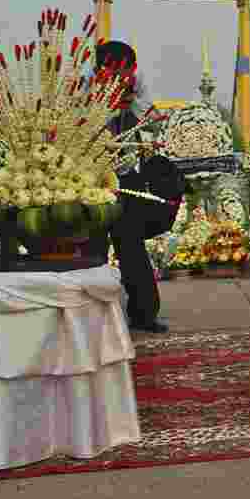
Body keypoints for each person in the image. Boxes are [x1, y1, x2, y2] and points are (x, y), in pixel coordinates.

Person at [88, 41, 187, 334]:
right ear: (101, 71)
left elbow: (149, 116)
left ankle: (144, 314)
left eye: (129, 72)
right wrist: (106, 102)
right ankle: (91, 316)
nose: (125, 77)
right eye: (116, 73)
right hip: (90, 176)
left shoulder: (135, 81)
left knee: (130, 245)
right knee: (92, 246)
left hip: (126, 174)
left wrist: (130, 99)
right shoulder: (83, 86)